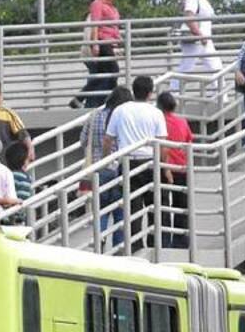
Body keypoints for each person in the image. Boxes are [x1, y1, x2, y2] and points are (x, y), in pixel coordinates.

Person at [104, 76, 172, 248]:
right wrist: (165, 167)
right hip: (151, 162)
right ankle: (158, 244)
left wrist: (108, 160)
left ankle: (135, 247)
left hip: (128, 162)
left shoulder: (120, 110)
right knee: (158, 206)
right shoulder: (156, 112)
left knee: (132, 208)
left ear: (133, 91)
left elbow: (108, 139)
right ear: (150, 93)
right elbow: (163, 144)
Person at [78, 85, 133, 249]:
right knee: (120, 212)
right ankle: (118, 248)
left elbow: (83, 141)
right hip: (118, 169)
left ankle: (99, 243)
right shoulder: (122, 117)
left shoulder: (94, 115)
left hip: (98, 170)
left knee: (100, 210)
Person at [72, 0, 122, 109]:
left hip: (110, 43)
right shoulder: (97, 4)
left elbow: (114, 27)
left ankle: (81, 99)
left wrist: (117, 42)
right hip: (103, 42)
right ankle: (114, 101)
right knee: (113, 71)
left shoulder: (111, 7)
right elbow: (95, 24)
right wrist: (95, 44)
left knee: (104, 76)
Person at [157, 91, 193, 248]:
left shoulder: (159, 121)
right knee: (181, 205)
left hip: (164, 166)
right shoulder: (182, 121)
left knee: (163, 206)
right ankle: (182, 241)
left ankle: (164, 241)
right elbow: (189, 140)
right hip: (181, 166)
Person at [176, 0, 222, 87]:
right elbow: (189, 17)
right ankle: (173, 91)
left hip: (204, 41)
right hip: (197, 40)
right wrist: (200, 35)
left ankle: (221, 94)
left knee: (216, 67)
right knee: (186, 68)